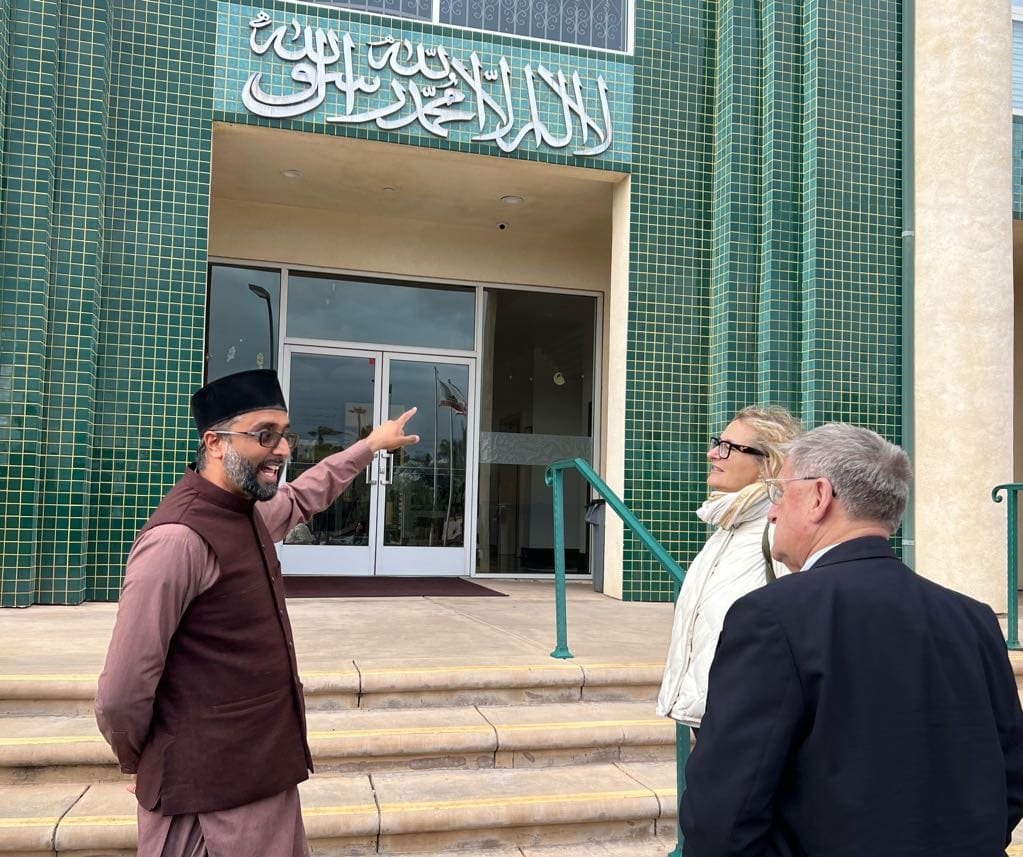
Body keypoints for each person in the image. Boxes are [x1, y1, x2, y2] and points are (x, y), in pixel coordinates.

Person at [95, 368, 420, 857]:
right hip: (209, 808)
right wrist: (142, 759)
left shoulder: (248, 512)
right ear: (215, 442)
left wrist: (370, 445)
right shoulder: (177, 541)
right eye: (264, 435)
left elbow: (306, 494)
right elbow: (122, 691)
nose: (284, 450)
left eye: (286, 436)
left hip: (265, 777)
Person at [681, 423, 1023, 857]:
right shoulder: (972, 619)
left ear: (819, 497)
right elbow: (1008, 778)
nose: (771, 512)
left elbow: (723, 810)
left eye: (778, 493)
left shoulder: (770, 616)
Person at [657, 406, 802, 730]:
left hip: (748, 721)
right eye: (716, 443)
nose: (712, 454)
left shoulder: (778, 534)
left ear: (767, 463)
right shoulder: (728, 527)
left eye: (727, 447)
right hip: (717, 714)